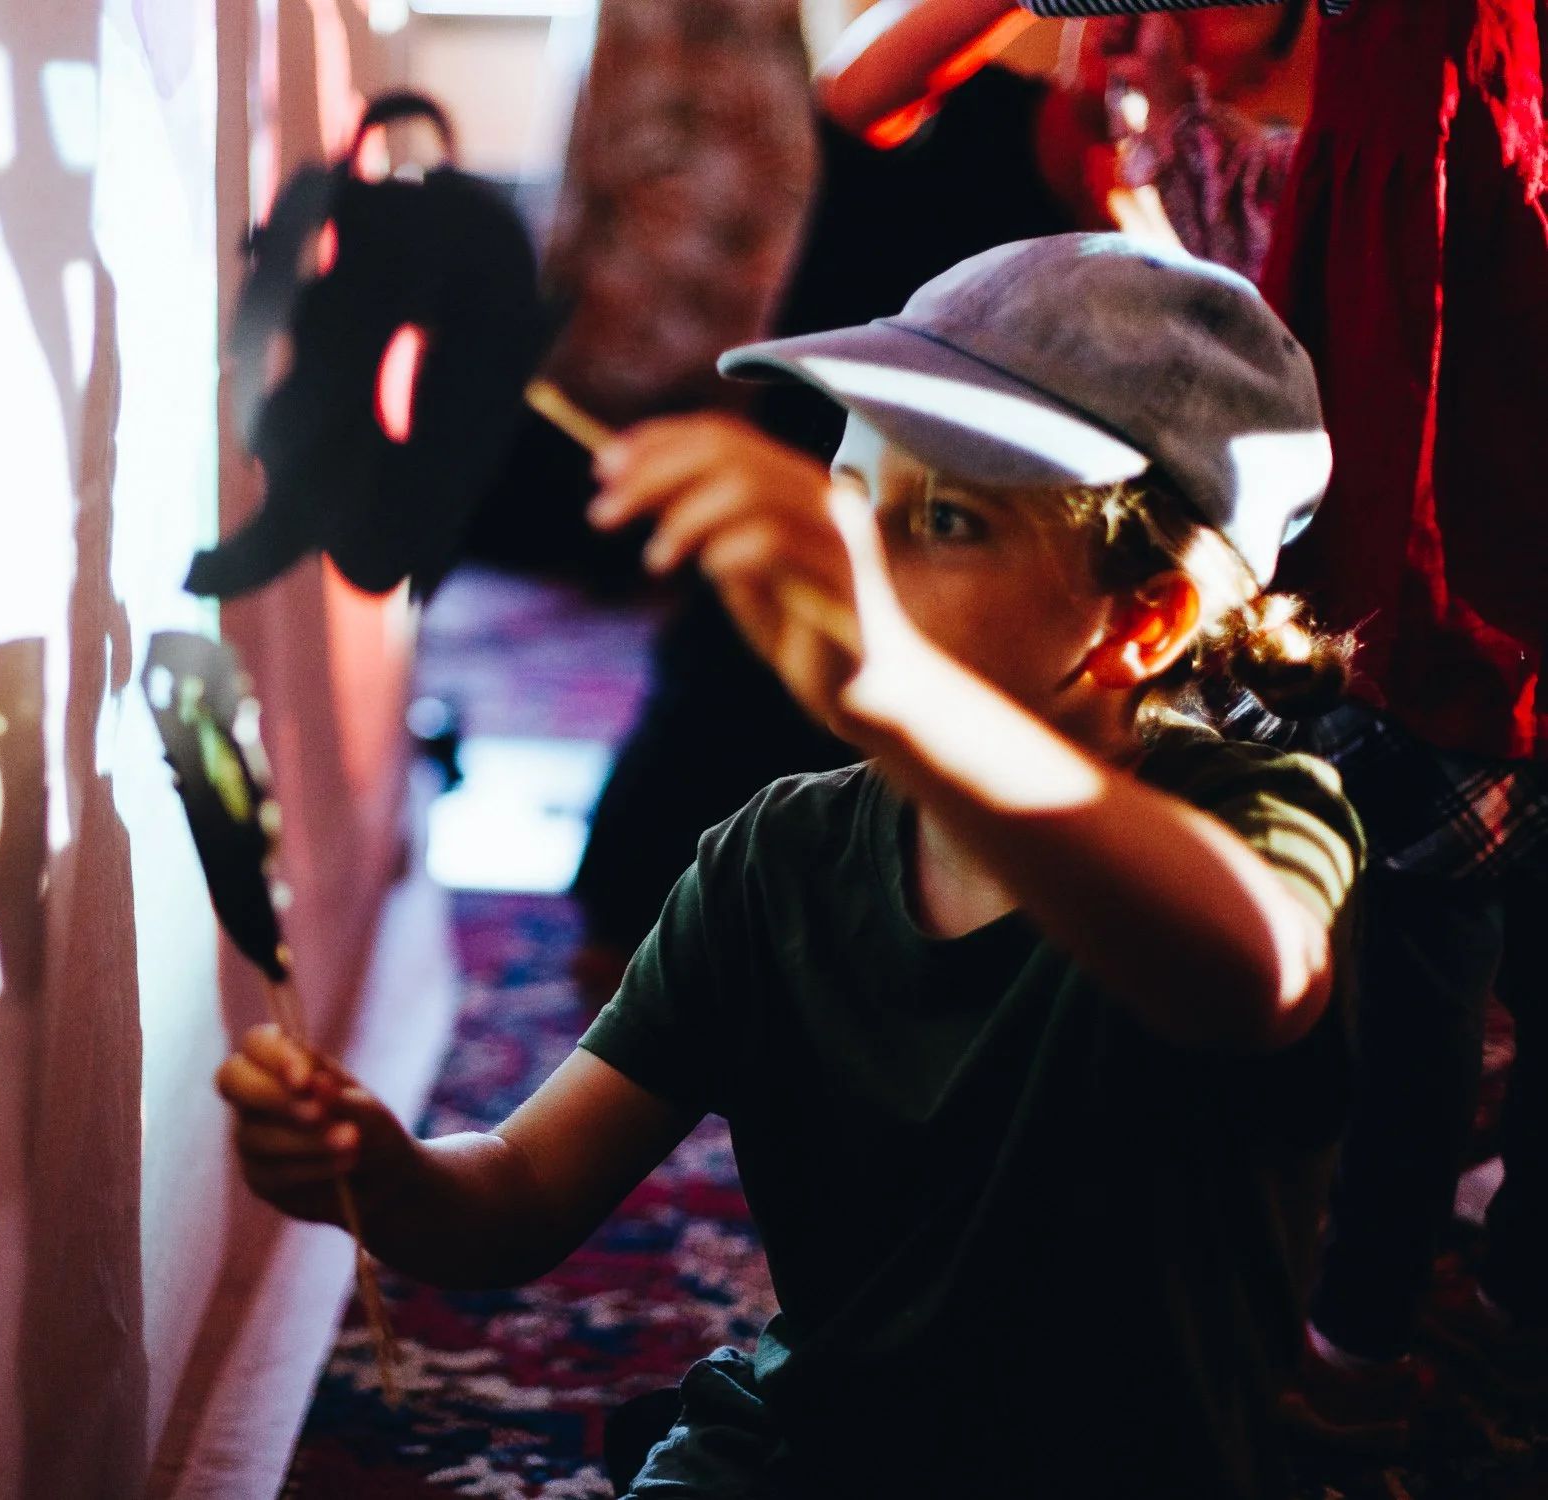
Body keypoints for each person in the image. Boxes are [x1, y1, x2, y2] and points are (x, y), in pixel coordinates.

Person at [221, 234, 1361, 1496]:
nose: (848, 556)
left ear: (1142, 620)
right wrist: (390, 1180)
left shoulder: (1255, 822)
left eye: (944, 520)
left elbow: (1249, 972)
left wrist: (899, 686)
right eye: (844, 496)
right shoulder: (779, 855)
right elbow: (523, 1191)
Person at [570, 0, 1312, 987]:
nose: (1156, 23)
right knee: (673, 876)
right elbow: (855, 90)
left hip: (1000, 682)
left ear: (1270, 63)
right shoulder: (972, 120)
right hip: (762, 628)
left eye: (1222, 9)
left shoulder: (1219, 242)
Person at [1246, 0, 1548, 1444]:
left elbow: (1400, 320)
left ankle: (1360, 1333)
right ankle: (1514, 1293)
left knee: (1428, 962)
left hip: (1457, 564)